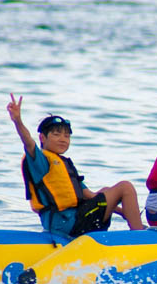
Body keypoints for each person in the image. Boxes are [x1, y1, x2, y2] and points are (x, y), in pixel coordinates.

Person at [7, 94, 144, 239]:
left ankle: (132, 228)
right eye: (56, 134)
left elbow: (89, 195)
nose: (63, 139)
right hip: (68, 223)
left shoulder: (63, 164)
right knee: (125, 187)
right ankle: (141, 237)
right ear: (42, 138)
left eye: (67, 136)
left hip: (66, 222)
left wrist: (122, 212)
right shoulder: (41, 160)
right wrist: (18, 121)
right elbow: (28, 142)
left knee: (105, 191)